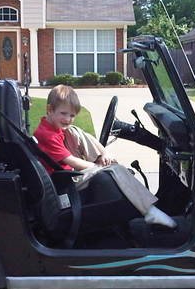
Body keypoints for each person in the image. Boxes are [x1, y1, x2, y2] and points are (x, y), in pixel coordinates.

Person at [34, 85, 176, 229]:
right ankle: (149, 211)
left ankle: (104, 155)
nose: (67, 119)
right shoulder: (47, 135)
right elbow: (72, 162)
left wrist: (101, 160)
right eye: (63, 114)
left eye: (71, 115)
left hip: (64, 174)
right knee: (115, 171)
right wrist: (100, 168)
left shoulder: (51, 126)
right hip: (65, 181)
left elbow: (70, 147)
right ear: (50, 109)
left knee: (74, 131)